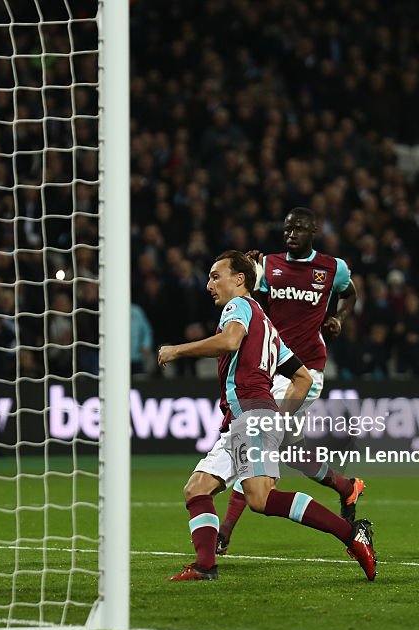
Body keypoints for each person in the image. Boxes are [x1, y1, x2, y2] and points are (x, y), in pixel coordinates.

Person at [157, 250, 376, 582]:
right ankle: (205, 566)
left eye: (216, 276)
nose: (209, 285)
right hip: (245, 419)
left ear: (240, 279)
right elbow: (301, 377)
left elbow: (230, 341)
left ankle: (350, 534)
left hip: (251, 412)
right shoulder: (268, 326)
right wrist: (280, 419)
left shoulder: (239, 307)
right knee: (196, 489)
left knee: (260, 499)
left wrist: (177, 350)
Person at [217, 208, 366, 557]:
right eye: (287, 228)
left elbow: (351, 293)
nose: (292, 233)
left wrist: (339, 318)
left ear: (315, 230)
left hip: (306, 372)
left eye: (299, 228)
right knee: (290, 451)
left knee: (257, 437)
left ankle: (223, 532)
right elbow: (246, 293)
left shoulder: (333, 268)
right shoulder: (269, 266)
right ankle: (346, 487)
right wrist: (249, 270)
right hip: (273, 367)